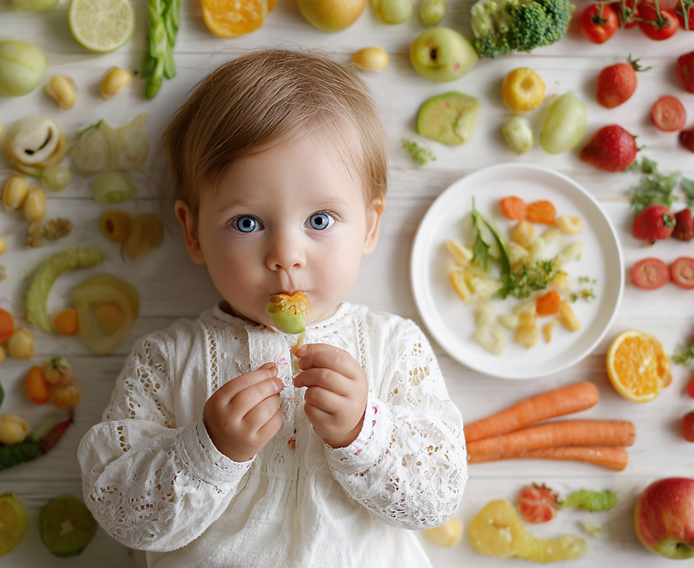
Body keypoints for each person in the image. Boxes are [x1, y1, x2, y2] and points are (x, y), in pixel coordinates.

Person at [78, 49, 466, 567]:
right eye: (247, 223)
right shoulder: (167, 359)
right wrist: (207, 450)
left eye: (321, 220)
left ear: (370, 227)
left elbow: (438, 497)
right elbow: (122, 513)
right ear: (193, 233)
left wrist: (365, 432)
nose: (286, 255)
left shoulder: (394, 346)